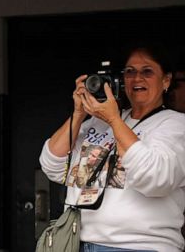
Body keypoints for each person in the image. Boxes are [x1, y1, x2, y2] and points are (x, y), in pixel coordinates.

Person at [40, 44, 185, 252]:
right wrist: (79, 114)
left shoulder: (175, 124)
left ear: (166, 80)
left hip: (140, 245)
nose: (137, 79)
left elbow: (155, 179)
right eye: (130, 72)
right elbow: (51, 164)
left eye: (147, 71)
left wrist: (114, 119)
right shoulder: (100, 121)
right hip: (78, 242)